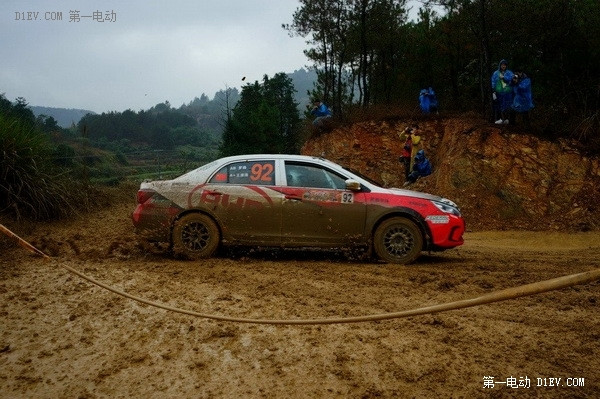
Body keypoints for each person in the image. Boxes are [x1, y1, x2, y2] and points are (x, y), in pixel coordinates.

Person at [491, 59, 514, 124]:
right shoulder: (496, 73)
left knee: (507, 105)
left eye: (505, 65)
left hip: (507, 92)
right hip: (499, 92)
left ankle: (506, 119)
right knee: (498, 105)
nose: (503, 66)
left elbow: (512, 80)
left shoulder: (509, 73)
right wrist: (493, 91)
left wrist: (504, 78)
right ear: (500, 65)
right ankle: (499, 119)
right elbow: (493, 81)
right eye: (502, 65)